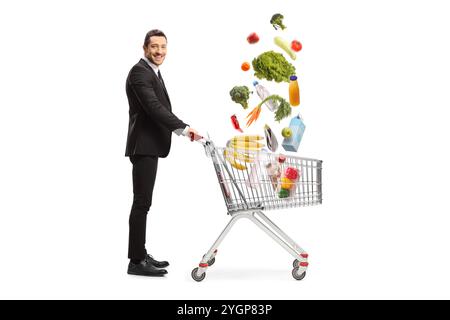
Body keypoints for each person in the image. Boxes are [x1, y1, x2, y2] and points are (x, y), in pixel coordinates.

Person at [125, 29, 200, 277]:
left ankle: (140, 253)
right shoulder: (139, 73)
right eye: (154, 47)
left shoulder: (152, 72)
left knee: (144, 203)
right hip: (143, 146)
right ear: (144, 47)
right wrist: (184, 128)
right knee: (141, 203)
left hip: (151, 145)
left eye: (163, 47)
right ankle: (136, 261)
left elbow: (158, 107)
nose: (159, 51)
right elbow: (154, 108)